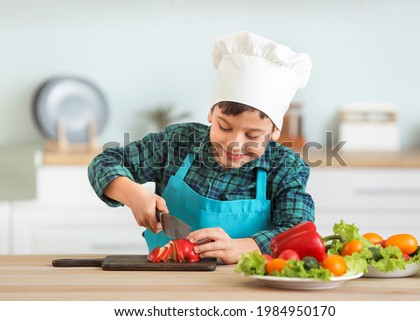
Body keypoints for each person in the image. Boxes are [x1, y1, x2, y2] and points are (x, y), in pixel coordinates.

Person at [88, 31, 314, 264]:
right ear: (211, 113)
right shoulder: (178, 143)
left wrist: (242, 248)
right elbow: (105, 163)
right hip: (164, 280)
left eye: (252, 135)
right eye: (224, 127)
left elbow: (298, 231)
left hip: (246, 286)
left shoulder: (286, 167)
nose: (235, 144)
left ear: (275, 131)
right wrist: (133, 194)